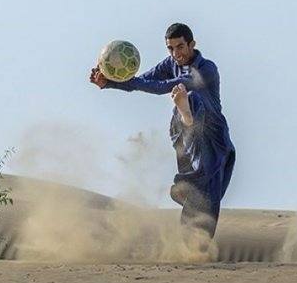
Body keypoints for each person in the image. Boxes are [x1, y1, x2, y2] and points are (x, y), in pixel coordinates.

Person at [89, 23, 235, 239]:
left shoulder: (207, 69)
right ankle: (185, 115)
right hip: (185, 133)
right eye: (171, 48)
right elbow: (142, 81)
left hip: (213, 134)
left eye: (180, 47)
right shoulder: (170, 63)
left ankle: (195, 243)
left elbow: (164, 85)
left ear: (192, 44)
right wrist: (109, 82)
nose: (176, 53)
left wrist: (124, 83)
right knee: (198, 190)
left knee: (208, 192)